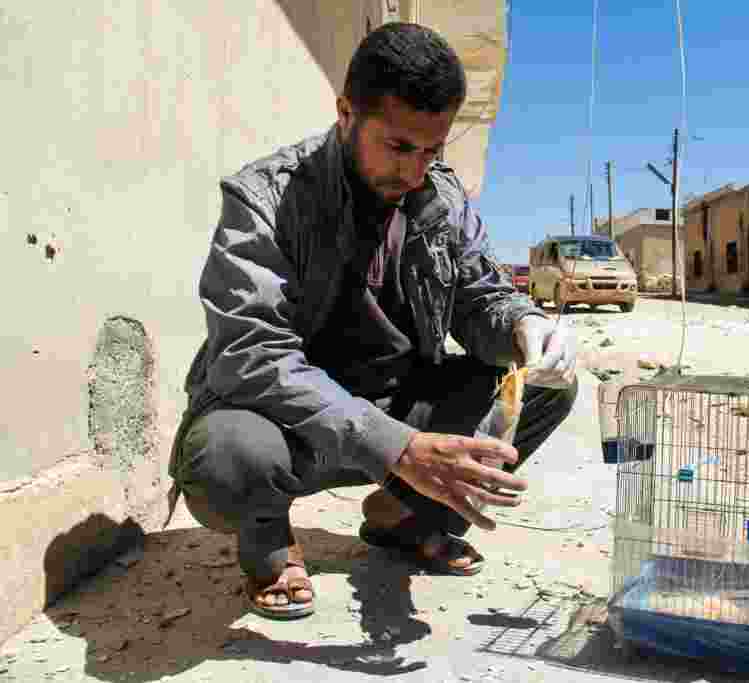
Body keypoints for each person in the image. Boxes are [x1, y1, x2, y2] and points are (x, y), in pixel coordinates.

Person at [165, 22, 578, 620]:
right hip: (288, 421)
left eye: (432, 151)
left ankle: (405, 519)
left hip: (398, 402)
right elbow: (250, 355)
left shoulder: (441, 197)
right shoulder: (266, 197)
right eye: (398, 147)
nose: (415, 171)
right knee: (226, 457)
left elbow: (479, 295)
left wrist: (524, 327)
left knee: (542, 394)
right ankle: (269, 544)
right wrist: (398, 447)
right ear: (345, 114)